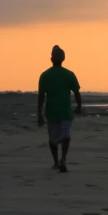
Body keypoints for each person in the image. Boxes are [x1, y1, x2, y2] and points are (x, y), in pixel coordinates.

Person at [38, 45, 81, 173]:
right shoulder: (69, 74)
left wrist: (39, 114)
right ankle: (63, 159)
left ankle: (57, 161)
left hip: (51, 112)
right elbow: (77, 93)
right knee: (65, 136)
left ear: (51, 59)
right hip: (65, 111)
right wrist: (79, 106)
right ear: (63, 59)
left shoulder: (45, 75)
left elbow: (41, 96)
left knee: (53, 138)